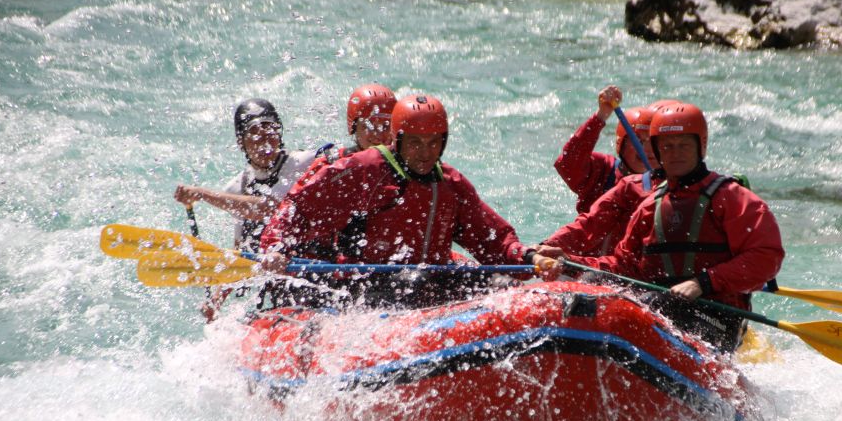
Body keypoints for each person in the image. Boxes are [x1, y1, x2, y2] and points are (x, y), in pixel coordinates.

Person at [260, 93, 557, 308]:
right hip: (371, 282)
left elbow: (494, 240)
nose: (425, 153)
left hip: (432, 280)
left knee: (504, 286)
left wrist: (530, 257)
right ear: (397, 140)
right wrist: (276, 247)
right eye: (415, 143)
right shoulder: (364, 170)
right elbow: (298, 207)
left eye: (433, 143)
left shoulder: (451, 184)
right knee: (407, 285)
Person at [542, 102, 785, 353]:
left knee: (663, 306)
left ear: (701, 146)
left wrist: (703, 283)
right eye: (667, 146)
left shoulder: (732, 197)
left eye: (684, 145)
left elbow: (766, 257)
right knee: (591, 287)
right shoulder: (650, 205)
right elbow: (623, 266)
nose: (675, 153)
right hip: (658, 306)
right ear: (657, 151)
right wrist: (570, 261)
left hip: (715, 317)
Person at [174, 98, 322, 320]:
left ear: (279, 133)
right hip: (279, 287)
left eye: (269, 129)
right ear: (241, 142)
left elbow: (269, 208)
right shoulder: (237, 187)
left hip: (317, 273)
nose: (264, 140)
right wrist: (217, 300)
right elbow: (242, 252)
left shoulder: (304, 163)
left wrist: (203, 194)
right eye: (254, 132)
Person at [554, 85, 666, 216]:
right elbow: (568, 164)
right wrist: (600, 116)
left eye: (653, 142)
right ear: (621, 145)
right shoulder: (602, 171)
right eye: (639, 141)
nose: (647, 149)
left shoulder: (667, 181)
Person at [288, 83, 398, 195]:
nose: (378, 134)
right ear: (354, 127)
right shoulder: (332, 165)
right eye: (369, 126)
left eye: (385, 126)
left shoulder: (407, 165)